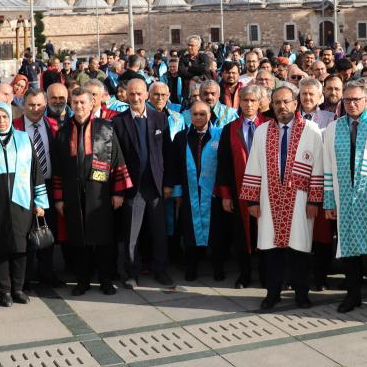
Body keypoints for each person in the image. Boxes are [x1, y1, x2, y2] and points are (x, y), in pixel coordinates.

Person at [240, 85, 323, 310]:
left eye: (286, 101)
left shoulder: (312, 130)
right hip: (270, 200)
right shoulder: (262, 131)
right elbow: (254, 165)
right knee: (272, 251)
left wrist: (315, 200)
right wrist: (253, 200)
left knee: (300, 250)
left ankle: (302, 294)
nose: (281, 106)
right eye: (277, 102)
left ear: (296, 103)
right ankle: (272, 293)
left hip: (300, 199)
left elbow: (318, 166)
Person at [320, 80, 367, 315]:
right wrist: (330, 200)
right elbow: (328, 166)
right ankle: (353, 296)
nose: (351, 104)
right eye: (347, 100)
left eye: (356, 99)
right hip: (345, 198)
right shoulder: (334, 128)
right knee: (349, 251)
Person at [54, 89, 130, 296]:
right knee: (78, 240)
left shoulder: (106, 128)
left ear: (91, 104)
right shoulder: (62, 132)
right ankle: (83, 280)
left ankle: (105, 280)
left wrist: (118, 193)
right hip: (73, 193)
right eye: (75, 102)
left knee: (104, 239)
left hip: (101, 193)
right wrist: (59, 198)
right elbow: (58, 167)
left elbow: (117, 160)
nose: (79, 106)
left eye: (82, 103)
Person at [0, 102, 48, 306]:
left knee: (21, 247)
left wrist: (40, 202)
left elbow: (36, 172)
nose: (1, 121)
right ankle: (4, 290)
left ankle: (18, 288)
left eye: (5, 117)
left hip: (22, 203)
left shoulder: (23, 140)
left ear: (10, 118)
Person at [113, 78, 172, 287]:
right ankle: (131, 272)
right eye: (131, 94)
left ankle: (160, 270)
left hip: (155, 186)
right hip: (132, 188)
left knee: (159, 232)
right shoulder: (118, 122)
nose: (136, 97)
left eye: (139, 93)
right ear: (125, 96)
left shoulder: (160, 119)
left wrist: (168, 184)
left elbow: (168, 153)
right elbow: (116, 158)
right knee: (131, 234)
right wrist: (119, 189)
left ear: (146, 95)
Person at [164, 100, 228, 281]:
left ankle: (218, 267)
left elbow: (224, 167)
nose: (199, 117)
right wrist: (177, 193)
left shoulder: (219, 135)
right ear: (190, 116)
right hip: (189, 191)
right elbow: (174, 166)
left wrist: (223, 192)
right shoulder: (181, 137)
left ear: (210, 115)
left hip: (212, 193)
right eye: (195, 114)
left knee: (216, 232)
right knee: (189, 231)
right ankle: (191, 267)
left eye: (203, 114)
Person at [216, 84, 268, 288]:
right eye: (245, 100)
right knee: (241, 234)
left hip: (266, 191)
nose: (248, 104)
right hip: (239, 190)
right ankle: (245, 273)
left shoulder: (269, 124)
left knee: (265, 233)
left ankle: (266, 274)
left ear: (259, 103)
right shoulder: (230, 129)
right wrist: (226, 195)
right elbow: (224, 164)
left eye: (252, 100)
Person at [13, 89, 62, 286]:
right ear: (23, 105)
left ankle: (47, 272)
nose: (35, 109)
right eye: (31, 105)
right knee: (25, 231)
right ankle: (25, 277)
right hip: (22, 188)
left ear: (46, 105)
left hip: (49, 185)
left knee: (47, 230)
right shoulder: (15, 127)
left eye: (39, 105)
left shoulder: (53, 125)